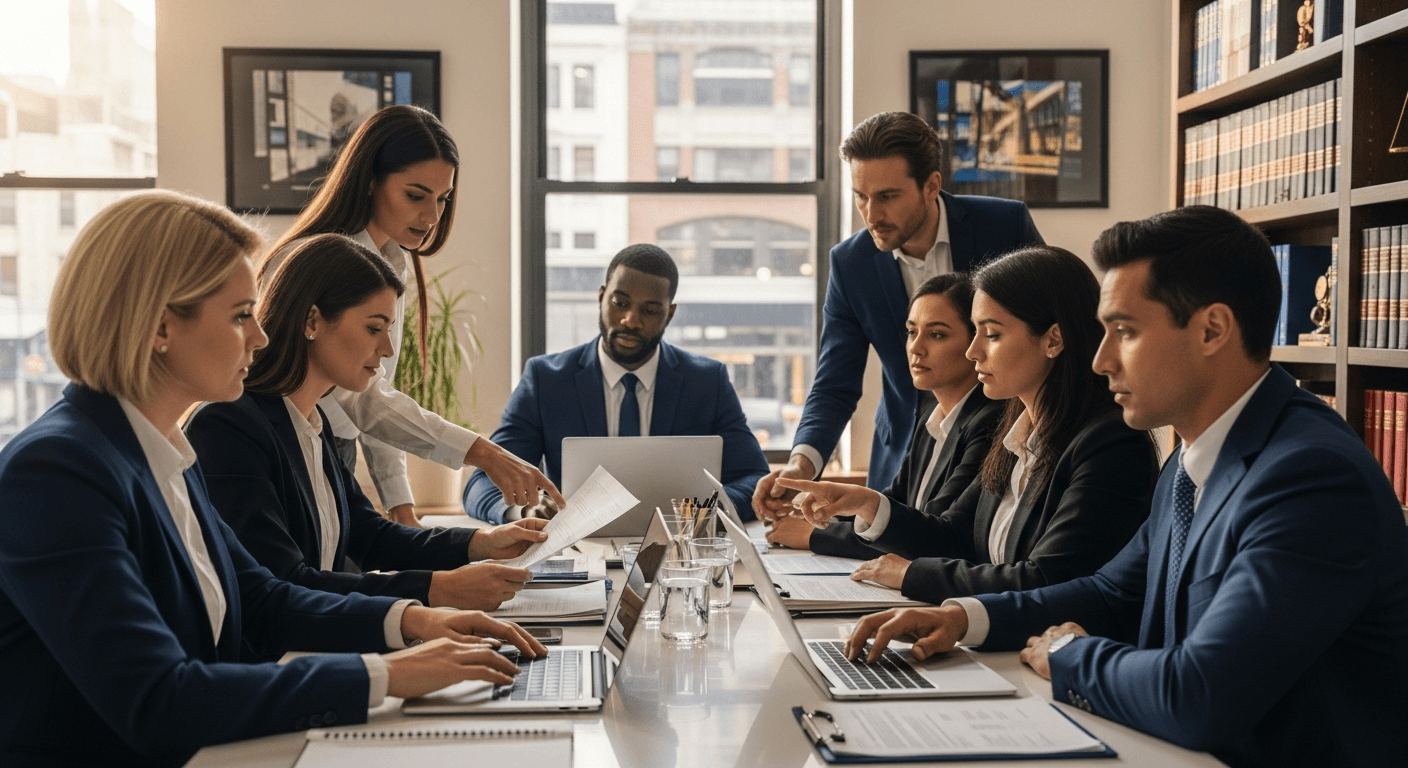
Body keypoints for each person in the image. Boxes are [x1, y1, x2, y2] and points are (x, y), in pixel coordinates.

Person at [0, 191, 547, 768]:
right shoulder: (57, 472)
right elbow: (158, 698)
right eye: (241, 316)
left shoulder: (159, 453)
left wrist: (414, 621)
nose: (260, 338)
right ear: (162, 326)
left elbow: (262, 598)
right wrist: (386, 674)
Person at [846, 207, 1408, 766]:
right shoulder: (1190, 458)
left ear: (1212, 329)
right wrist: (962, 618)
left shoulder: (1310, 477)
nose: (1100, 358)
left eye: (1124, 331)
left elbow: (1200, 693)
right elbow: (1111, 592)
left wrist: (1070, 653)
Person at [186, 234, 545, 620]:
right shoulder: (229, 426)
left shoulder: (312, 422)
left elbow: (369, 535)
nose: (388, 349)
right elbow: (282, 585)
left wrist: (483, 543)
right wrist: (438, 590)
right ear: (312, 321)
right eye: (374, 329)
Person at [779, 246, 1158, 605]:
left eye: (991, 334)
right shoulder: (1016, 435)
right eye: (975, 331)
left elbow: (1047, 579)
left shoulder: (1110, 445)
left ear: (1052, 340)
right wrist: (866, 502)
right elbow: (953, 536)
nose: (973, 351)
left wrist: (913, 575)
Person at [266, 104, 563, 528]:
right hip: (287, 452)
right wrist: (482, 451)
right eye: (415, 195)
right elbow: (366, 400)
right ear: (369, 182)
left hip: (334, 452)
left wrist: (401, 506)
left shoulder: (389, 261)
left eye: (442, 199)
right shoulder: (318, 265)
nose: (432, 217)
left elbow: (368, 387)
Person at [754, 111, 1044, 521]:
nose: (871, 214)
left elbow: (1051, 333)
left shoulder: (1003, 227)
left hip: (1002, 446)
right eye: (860, 196)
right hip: (905, 460)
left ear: (931, 185)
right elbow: (835, 382)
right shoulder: (851, 262)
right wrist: (802, 466)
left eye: (887, 196)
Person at [462, 244, 769, 523]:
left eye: (649, 310)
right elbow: (483, 482)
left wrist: (706, 513)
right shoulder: (546, 379)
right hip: (576, 555)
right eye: (620, 303)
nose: (631, 320)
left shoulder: (706, 382)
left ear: (669, 314)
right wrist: (523, 511)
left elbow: (753, 477)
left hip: (677, 555)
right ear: (600, 297)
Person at [765, 273, 1003, 560]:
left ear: (976, 342)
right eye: (912, 332)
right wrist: (828, 512)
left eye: (937, 334)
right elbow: (893, 504)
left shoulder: (991, 423)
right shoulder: (931, 417)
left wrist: (817, 535)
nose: (916, 347)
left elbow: (931, 532)